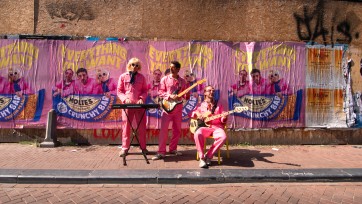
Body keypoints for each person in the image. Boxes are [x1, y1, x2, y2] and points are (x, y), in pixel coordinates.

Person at [152, 61, 188, 160]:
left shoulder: (183, 81)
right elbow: (160, 92)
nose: (171, 69)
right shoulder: (164, 79)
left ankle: (173, 148)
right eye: (170, 67)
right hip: (167, 108)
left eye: (173, 67)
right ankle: (161, 151)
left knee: (177, 130)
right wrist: (169, 96)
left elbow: (185, 95)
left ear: (178, 69)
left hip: (178, 108)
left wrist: (187, 94)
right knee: (164, 130)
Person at [117, 58, 148, 156]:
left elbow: (145, 90)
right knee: (126, 126)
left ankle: (143, 147)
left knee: (142, 127)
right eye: (133, 64)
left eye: (137, 65)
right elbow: (119, 91)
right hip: (127, 105)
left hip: (139, 105)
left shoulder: (142, 77)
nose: (135, 67)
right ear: (129, 65)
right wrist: (125, 99)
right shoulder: (123, 77)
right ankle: (125, 148)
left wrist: (141, 99)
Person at [191, 85, 227, 168]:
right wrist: (198, 114)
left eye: (213, 91)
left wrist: (224, 117)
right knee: (198, 133)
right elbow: (193, 114)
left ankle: (209, 155)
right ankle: (202, 158)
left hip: (217, 127)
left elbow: (222, 120)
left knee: (223, 137)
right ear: (205, 93)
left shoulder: (219, 105)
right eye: (210, 90)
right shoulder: (200, 105)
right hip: (205, 127)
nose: (212, 92)